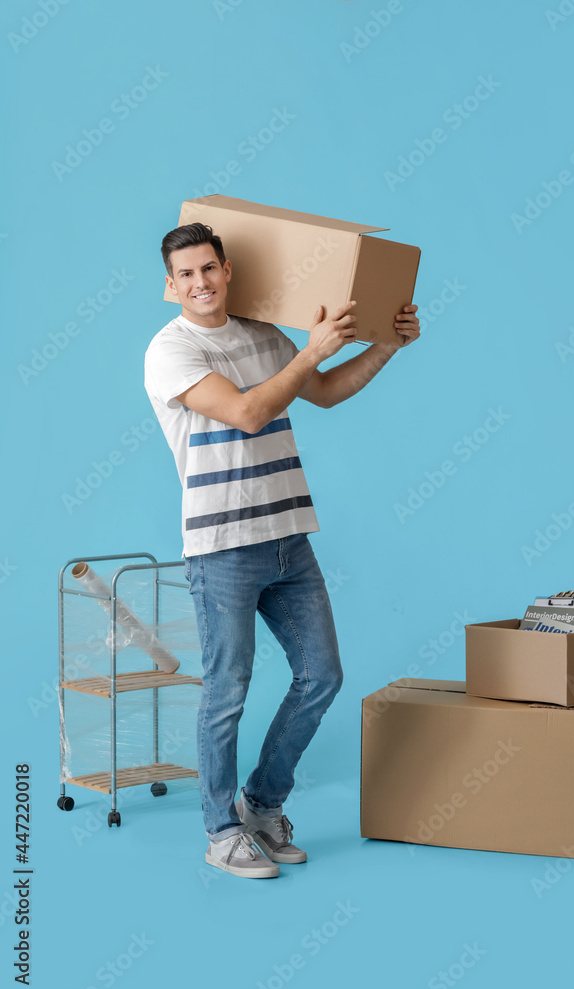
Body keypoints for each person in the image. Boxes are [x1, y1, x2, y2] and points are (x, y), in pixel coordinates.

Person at [144, 221, 420, 879]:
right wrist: (310, 352)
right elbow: (244, 412)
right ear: (170, 284)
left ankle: (262, 806)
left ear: (227, 269)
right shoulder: (169, 351)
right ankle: (221, 834)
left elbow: (321, 392)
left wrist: (387, 345)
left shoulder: (265, 336)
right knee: (227, 688)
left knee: (321, 674)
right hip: (222, 548)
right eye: (186, 274)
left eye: (209, 268)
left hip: (288, 539)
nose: (200, 282)